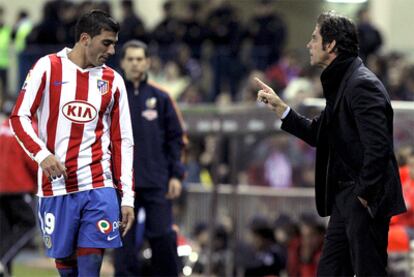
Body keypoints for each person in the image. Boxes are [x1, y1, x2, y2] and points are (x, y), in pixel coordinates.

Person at [256, 11, 406, 276]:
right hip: (345, 198)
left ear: (331, 44)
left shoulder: (361, 84)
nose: (309, 45)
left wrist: (363, 194)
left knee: (368, 271)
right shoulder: (343, 82)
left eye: (314, 38)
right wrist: (282, 109)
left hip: (363, 199)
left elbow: (379, 147)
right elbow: (319, 134)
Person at [9, 10, 135, 277]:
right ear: (85, 39)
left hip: (98, 185)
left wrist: (127, 197)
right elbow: (19, 117)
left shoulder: (113, 81)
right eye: (107, 43)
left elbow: (123, 141)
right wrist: (42, 155)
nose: (112, 50)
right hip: (56, 188)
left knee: (90, 269)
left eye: (114, 43)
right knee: (68, 271)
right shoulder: (47, 67)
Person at [113, 40, 186, 276]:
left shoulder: (162, 97)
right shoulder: (113, 97)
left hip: (157, 181)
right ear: (122, 62)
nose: (135, 64)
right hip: (122, 185)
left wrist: (176, 174)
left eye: (139, 59)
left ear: (148, 62)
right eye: (130, 59)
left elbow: (177, 138)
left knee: (163, 236)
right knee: (122, 242)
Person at [0, 101, 37, 276]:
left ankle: (4, 267)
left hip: (1, 189)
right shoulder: (28, 129)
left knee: (5, 233)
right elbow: (34, 161)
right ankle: (1, 261)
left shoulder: (2, 128)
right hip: (19, 187)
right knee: (29, 225)